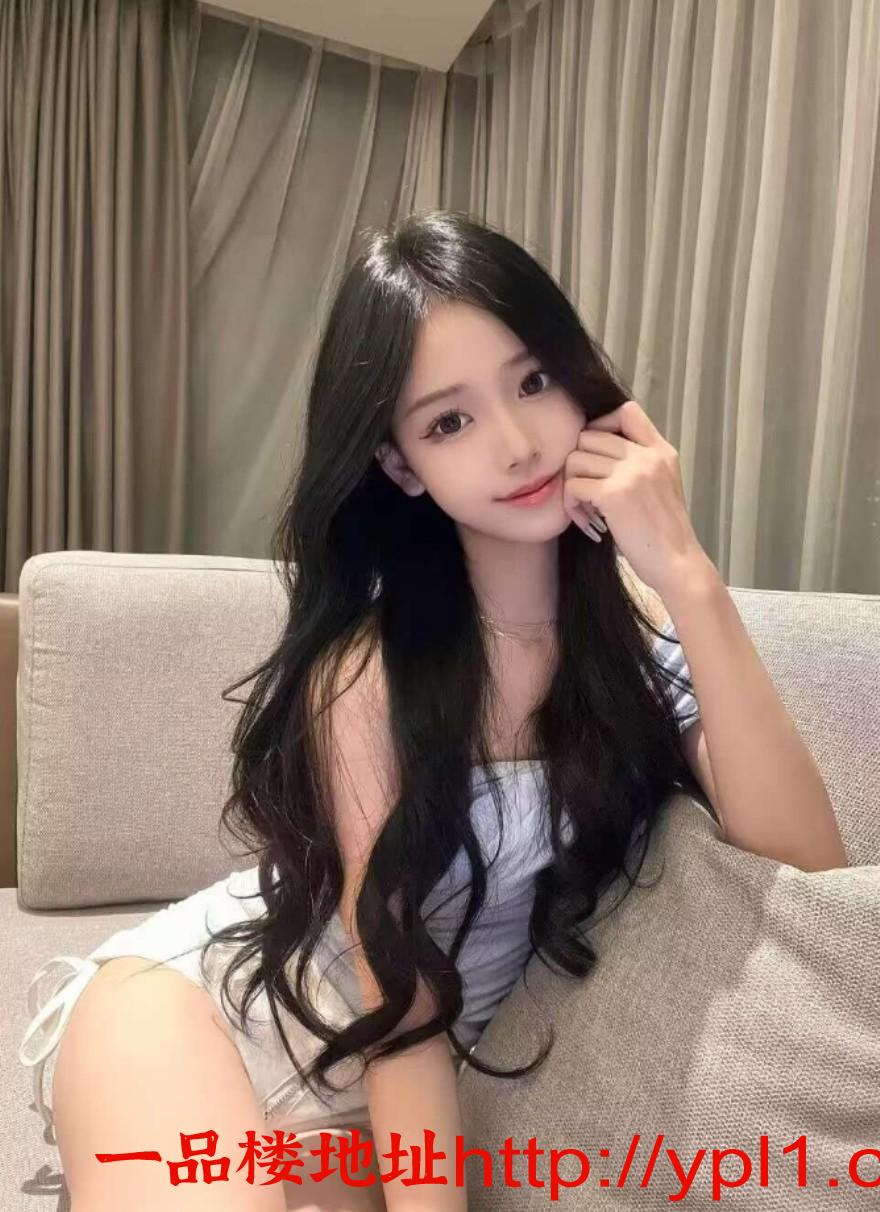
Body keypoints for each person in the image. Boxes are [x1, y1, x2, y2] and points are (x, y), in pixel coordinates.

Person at [18, 209, 706, 1211]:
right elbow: (401, 998)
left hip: (374, 1100)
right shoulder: (369, 675)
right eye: (448, 422)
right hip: (218, 1014)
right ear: (400, 465)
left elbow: (803, 861)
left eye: (531, 382)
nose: (518, 446)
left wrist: (687, 571)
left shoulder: (639, 638)